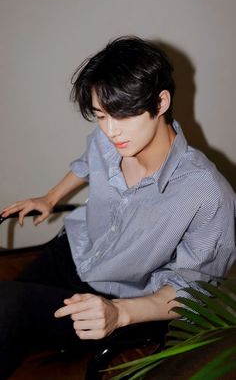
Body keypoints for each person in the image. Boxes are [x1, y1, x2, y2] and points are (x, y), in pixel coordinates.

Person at [0, 36, 235, 378]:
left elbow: (194, 290)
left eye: (123, 115)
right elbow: (85, 163)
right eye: (100, 115)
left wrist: (120, 313)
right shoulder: (108, 139)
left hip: (117, 293)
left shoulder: (208, 194)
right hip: (74, 251)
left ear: (161, 102)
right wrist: (50, 198)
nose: (111, 130)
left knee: (7, 306)